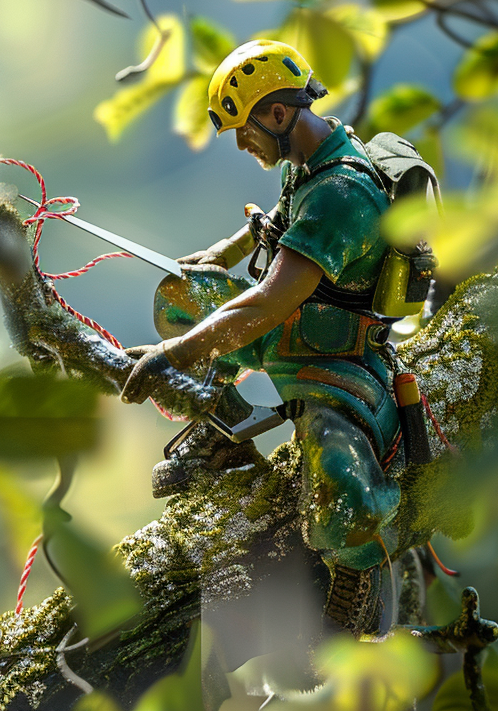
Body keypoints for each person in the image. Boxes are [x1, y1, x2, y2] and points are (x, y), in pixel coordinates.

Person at [120, 39, 403, 635]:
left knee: (339, 497)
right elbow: (273, 227)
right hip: (285, 335)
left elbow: (271, 299)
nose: (242, 144)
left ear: (278, 114)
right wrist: (218, 256)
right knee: (180, 295)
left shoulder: (341, 193)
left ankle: (360, 574)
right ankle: (223, 430)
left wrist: (176, 355)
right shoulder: (309, 158)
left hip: (335, 362)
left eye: (244, 129)